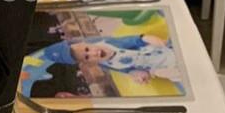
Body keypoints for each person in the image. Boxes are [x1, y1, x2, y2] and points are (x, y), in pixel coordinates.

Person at [40, 34, 175, 85]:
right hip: (152, 67)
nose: (93, 53)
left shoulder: (111, 44)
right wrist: (137, 75)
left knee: (170, 51)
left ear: (86, 43)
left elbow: (137, 40)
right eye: (87, 57)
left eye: (87, 49)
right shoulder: (105, 64)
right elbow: (127, 70)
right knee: (162, 73)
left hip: (152, 51)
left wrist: (151, 40)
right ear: (87, 63)